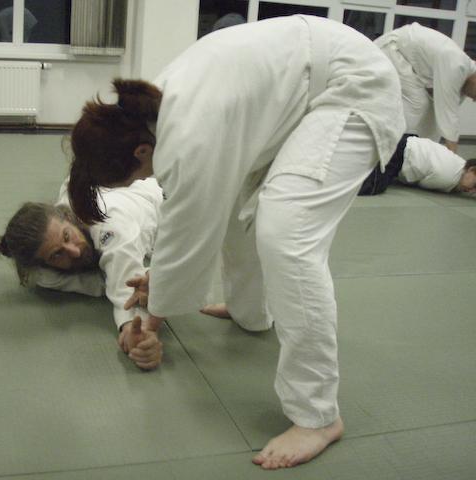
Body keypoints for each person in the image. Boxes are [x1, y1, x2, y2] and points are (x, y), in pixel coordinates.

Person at [67, 15, 405, 470]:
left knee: (287, 232)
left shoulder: (185, 136)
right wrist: (161, 284)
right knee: (236, 207)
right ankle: (252, 312)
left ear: (140, 152)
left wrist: (152, 319)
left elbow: (186, 233)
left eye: (136, 177)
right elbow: (198, 220)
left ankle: (318, 416)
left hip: (353, 88)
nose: (144, 180)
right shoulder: (149, 111)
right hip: (305, 93)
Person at [0, 178, 164, 370]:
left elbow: (125, 284)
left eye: (67, 236)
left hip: (167, 198)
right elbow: (108, 282)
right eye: (57, 254)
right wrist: (147, 280)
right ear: (44, 264)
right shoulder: (44, 275)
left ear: (69, 217)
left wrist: (134, 328)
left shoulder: (108, 222)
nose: (74, 251)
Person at [374, 22, 476, 152]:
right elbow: (448, 116)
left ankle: (423, 154)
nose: (474, 100)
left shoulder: (464, 79)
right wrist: (454, 157)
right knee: (417, 105)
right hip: (393, 49)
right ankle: (395, 153)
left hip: (406, 58)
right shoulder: (457, 66)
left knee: (428, 114)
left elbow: (442, 117)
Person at [359, 134, 476, 196]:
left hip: (407, 141)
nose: (471, 191)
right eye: (475, 185)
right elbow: (422, 183)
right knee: (373, 187)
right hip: (400, 153)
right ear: (471, 169)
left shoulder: (460, 163)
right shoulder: (448, 178)